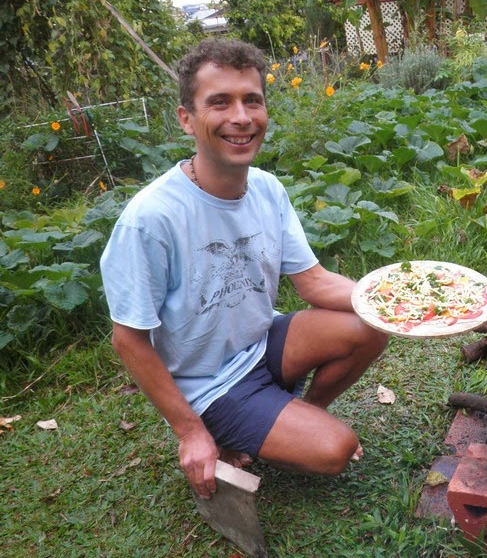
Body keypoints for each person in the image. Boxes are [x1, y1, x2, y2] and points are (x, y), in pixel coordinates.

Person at [100, 38, 388, 501]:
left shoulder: (267, 190)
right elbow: (128, 339)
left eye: (251, 100)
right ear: (186, 120)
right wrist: (190, 432)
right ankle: (241, 428)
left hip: (261, 345)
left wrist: (396, 301)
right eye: (220, 102)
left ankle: (296, 412)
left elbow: (314, 282)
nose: (241, 117)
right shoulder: (151, 219)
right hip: (209, 384)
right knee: (338, 448)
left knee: (371, 325)